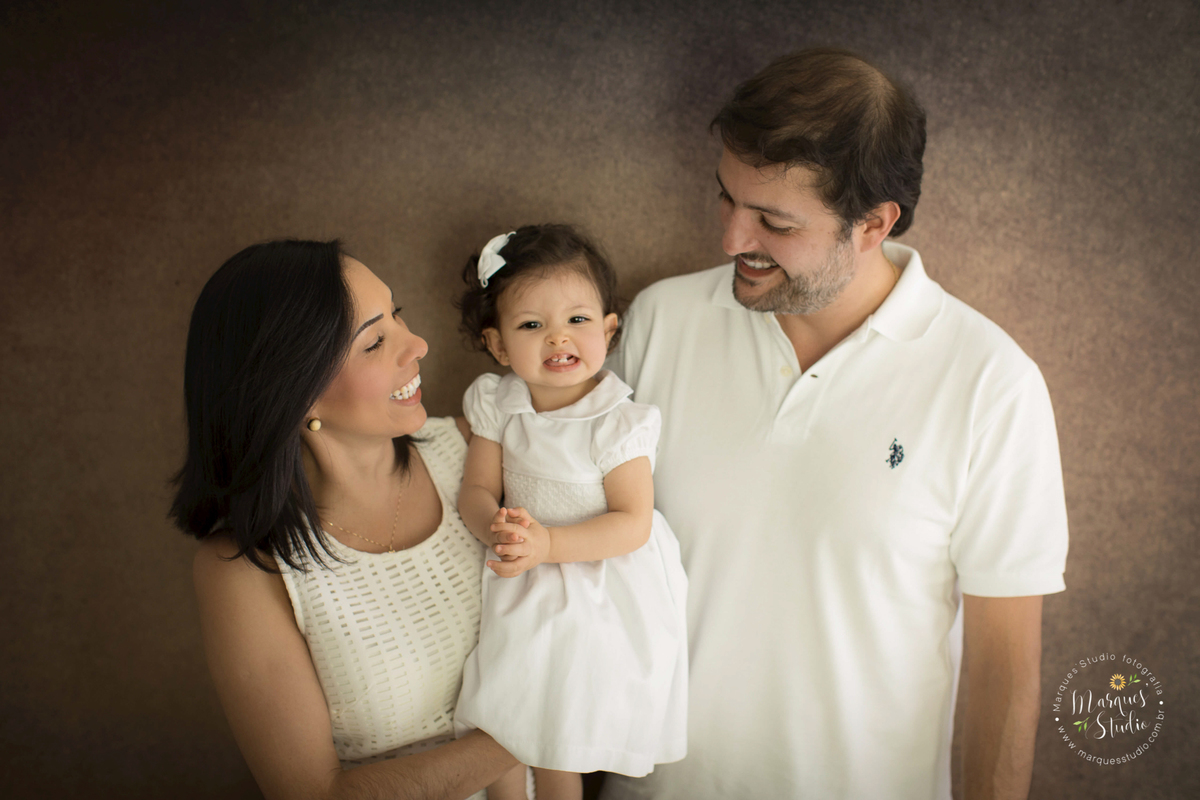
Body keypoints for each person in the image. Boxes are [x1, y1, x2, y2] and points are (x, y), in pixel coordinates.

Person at [601, 48, 1069, 800]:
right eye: (725, 198)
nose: (730, 241)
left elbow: (1004, 675)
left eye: (773, 222)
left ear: (873, 224)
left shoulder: (992, 385)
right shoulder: (660, 322)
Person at [172, 239, 519, 799]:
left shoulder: (479, 451)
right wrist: (538, 730)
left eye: (397, 313)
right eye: (376, 341)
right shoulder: (242, 571)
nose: (418, 344)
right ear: (295, 391)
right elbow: (314, 794)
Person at [453, 225, 689, 800]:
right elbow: (476, 489)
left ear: (609, 329)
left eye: (578, 321)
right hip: (524, 566)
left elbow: (632, 522)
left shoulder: (618, 421)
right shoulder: (498, 403)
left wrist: (551, 547)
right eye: (532, 325)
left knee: (560, 725)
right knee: (501, 709)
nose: (558, 338)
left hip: (598, 577)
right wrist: (496, 527)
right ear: (500, 345)